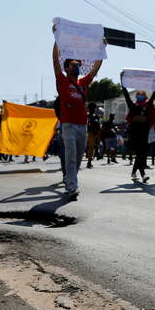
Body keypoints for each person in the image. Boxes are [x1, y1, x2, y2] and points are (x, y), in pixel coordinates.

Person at [53, 36, 102, 199]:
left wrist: (102, 49)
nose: (78, 67)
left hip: (82, 125)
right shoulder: (62, 81)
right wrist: (57, 39)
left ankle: (69, 178)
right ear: (67, 67)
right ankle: (72, 187)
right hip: (68, 125)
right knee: (71, 155)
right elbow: (55, 61)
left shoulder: (83, 83)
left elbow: (95, 68)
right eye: (74, 64)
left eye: (79, 65)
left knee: (79, 156)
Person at [121, 84, 155, 183]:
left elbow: (154, 95)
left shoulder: (148, 104)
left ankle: (134, 172)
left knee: (141, 153)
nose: (140, 96)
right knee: (140, 153)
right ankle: (143, 174)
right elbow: (126, 95)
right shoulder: (133, 105)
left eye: (142, 94)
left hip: (145, 131)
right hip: (135, 132)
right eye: (139, 94)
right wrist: (123, 84)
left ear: (145, 96)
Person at [85, 102, 101, 169]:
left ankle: (89, 160)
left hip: (94, 133)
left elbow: (98, 125)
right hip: (87, 132)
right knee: (90, 147)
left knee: (92, 147)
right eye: (92, 108)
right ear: (89, 109)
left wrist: (98, 133)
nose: (94, 109)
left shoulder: (96, 116)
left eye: (94, 108)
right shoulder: (86, 116)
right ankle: (89, 160)